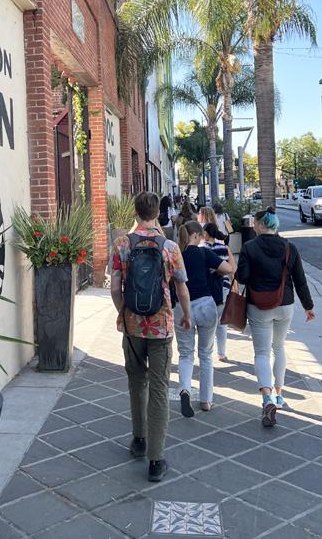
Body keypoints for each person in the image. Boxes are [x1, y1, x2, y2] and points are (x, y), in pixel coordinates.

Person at [110, 192, 191, 482]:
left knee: (136, 382)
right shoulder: (169, 247)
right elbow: (181, 287)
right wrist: (186, 314)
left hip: (132, 328)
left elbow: (115, 288)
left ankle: (139, 440)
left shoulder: (121, 244)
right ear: (157, 214)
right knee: (158, 389)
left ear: (135, 212)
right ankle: (156, 460)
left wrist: (123, 313)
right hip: (161, 327)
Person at [236, 207, 315, 428]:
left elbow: (242, 277)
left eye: (255, 223)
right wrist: (308, 306)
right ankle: (279, 394)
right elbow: (300, 280)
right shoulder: (290, 248)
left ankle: (267, 398)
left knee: (262, 352)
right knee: (279, 347)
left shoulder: (249, 247)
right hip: (285, 305)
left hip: (258, 305)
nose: (253, 226)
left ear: (261, 225)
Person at [175, 222, 233, 416]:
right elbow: (228, 268)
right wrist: (213, 271)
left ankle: (185, 389)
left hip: (182, 307)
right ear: (197, 236)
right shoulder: (204, 253)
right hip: (206, 304)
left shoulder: (177, 255)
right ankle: (206, 400)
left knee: (185, 354)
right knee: (206, 355)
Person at [202, 222, 235, 362]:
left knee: (208, 323)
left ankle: (207, 351)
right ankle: (221, 353)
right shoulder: (224, 248)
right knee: (222, 323)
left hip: (207, 289)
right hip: (223, 287)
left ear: (205, 233)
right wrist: (234, 285)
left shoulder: (202, 248)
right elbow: (232, 269)